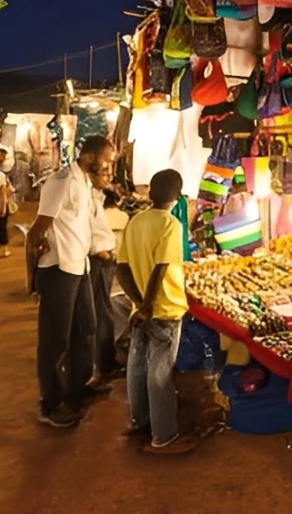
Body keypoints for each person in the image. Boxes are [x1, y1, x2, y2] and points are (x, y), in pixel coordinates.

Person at [27, 135, 117, 429]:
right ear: (91, 157)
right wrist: (34, 276)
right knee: (54, 341)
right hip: (59, 270)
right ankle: (50, 404)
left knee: (86, 329)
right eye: (107, 160)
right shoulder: (62, 181)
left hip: (80, 266)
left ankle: (77, 387)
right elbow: (37, 231)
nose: (110, 167)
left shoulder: (86, 185)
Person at [116, 169, 198, 454]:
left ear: (150, 192)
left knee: (137, 365)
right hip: (164, 308)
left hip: (141, 309)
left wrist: (138, 303)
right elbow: (161, 268)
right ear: (178, 196)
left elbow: (122, 267)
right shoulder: (171, 225)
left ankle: (139, 421)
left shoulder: (136, 222)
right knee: (159, 372)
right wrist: (149, 304)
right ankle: (163, 436)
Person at [90, 189, 125, 381]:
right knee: (104, 314)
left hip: (102, 263)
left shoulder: (96, 214)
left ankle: (102, 362)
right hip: (109, 262)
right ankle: (104, 364)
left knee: (101, 311)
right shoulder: (124, 217)